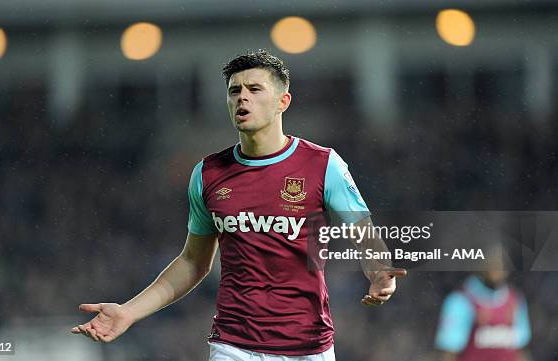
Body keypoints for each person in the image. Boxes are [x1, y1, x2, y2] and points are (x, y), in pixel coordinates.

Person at [71, 49, 406, 360]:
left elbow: (363, 231)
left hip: (309, 345)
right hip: (234, 345)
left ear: (282, 101)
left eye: (255, 89)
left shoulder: (322, 165)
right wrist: (129, 311)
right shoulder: (208, 174)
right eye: (234, 91)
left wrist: (379, 272)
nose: (242, 96)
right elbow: (193, 262)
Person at [435, 246, 532, 361]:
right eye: (492, 261)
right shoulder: (461, 301)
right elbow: (449, 352)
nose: (497, 267)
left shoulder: (515, 301)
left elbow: (520, 350)